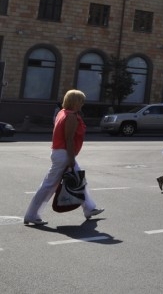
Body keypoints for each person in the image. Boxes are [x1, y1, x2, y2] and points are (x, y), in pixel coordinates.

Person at [24, 89, 104, 226]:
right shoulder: (71, 116)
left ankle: (89, 208)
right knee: (49, 185)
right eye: (81, 101)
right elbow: (69, 139)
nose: (83, 104)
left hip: (61, 153)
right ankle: (31, 214)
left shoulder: (63, 113)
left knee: (79, 180)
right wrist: (71, 158)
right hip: (64, 154)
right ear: (75, 102)